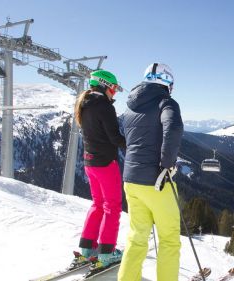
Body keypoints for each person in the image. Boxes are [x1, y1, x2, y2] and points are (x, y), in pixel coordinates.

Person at [118, 63, 183, 281]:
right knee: (169, 240)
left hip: (130, 180)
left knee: (137, 238)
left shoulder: (130, 107)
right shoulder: (166, 102)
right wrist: (167, 165)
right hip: (156, 182)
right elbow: (173, 127)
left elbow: (129, 139)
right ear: (167, 83)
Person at [73, 69, 126, 271]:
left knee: (98, 204)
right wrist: (135, 146)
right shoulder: (104, 106)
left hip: (90, 163)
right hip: (105, 163)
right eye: (113, 88)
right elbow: (114, 137)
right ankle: (106, 253)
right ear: (105, 85)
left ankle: (87, 250)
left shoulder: (84, 104)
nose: (115, 93)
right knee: (112, 207)